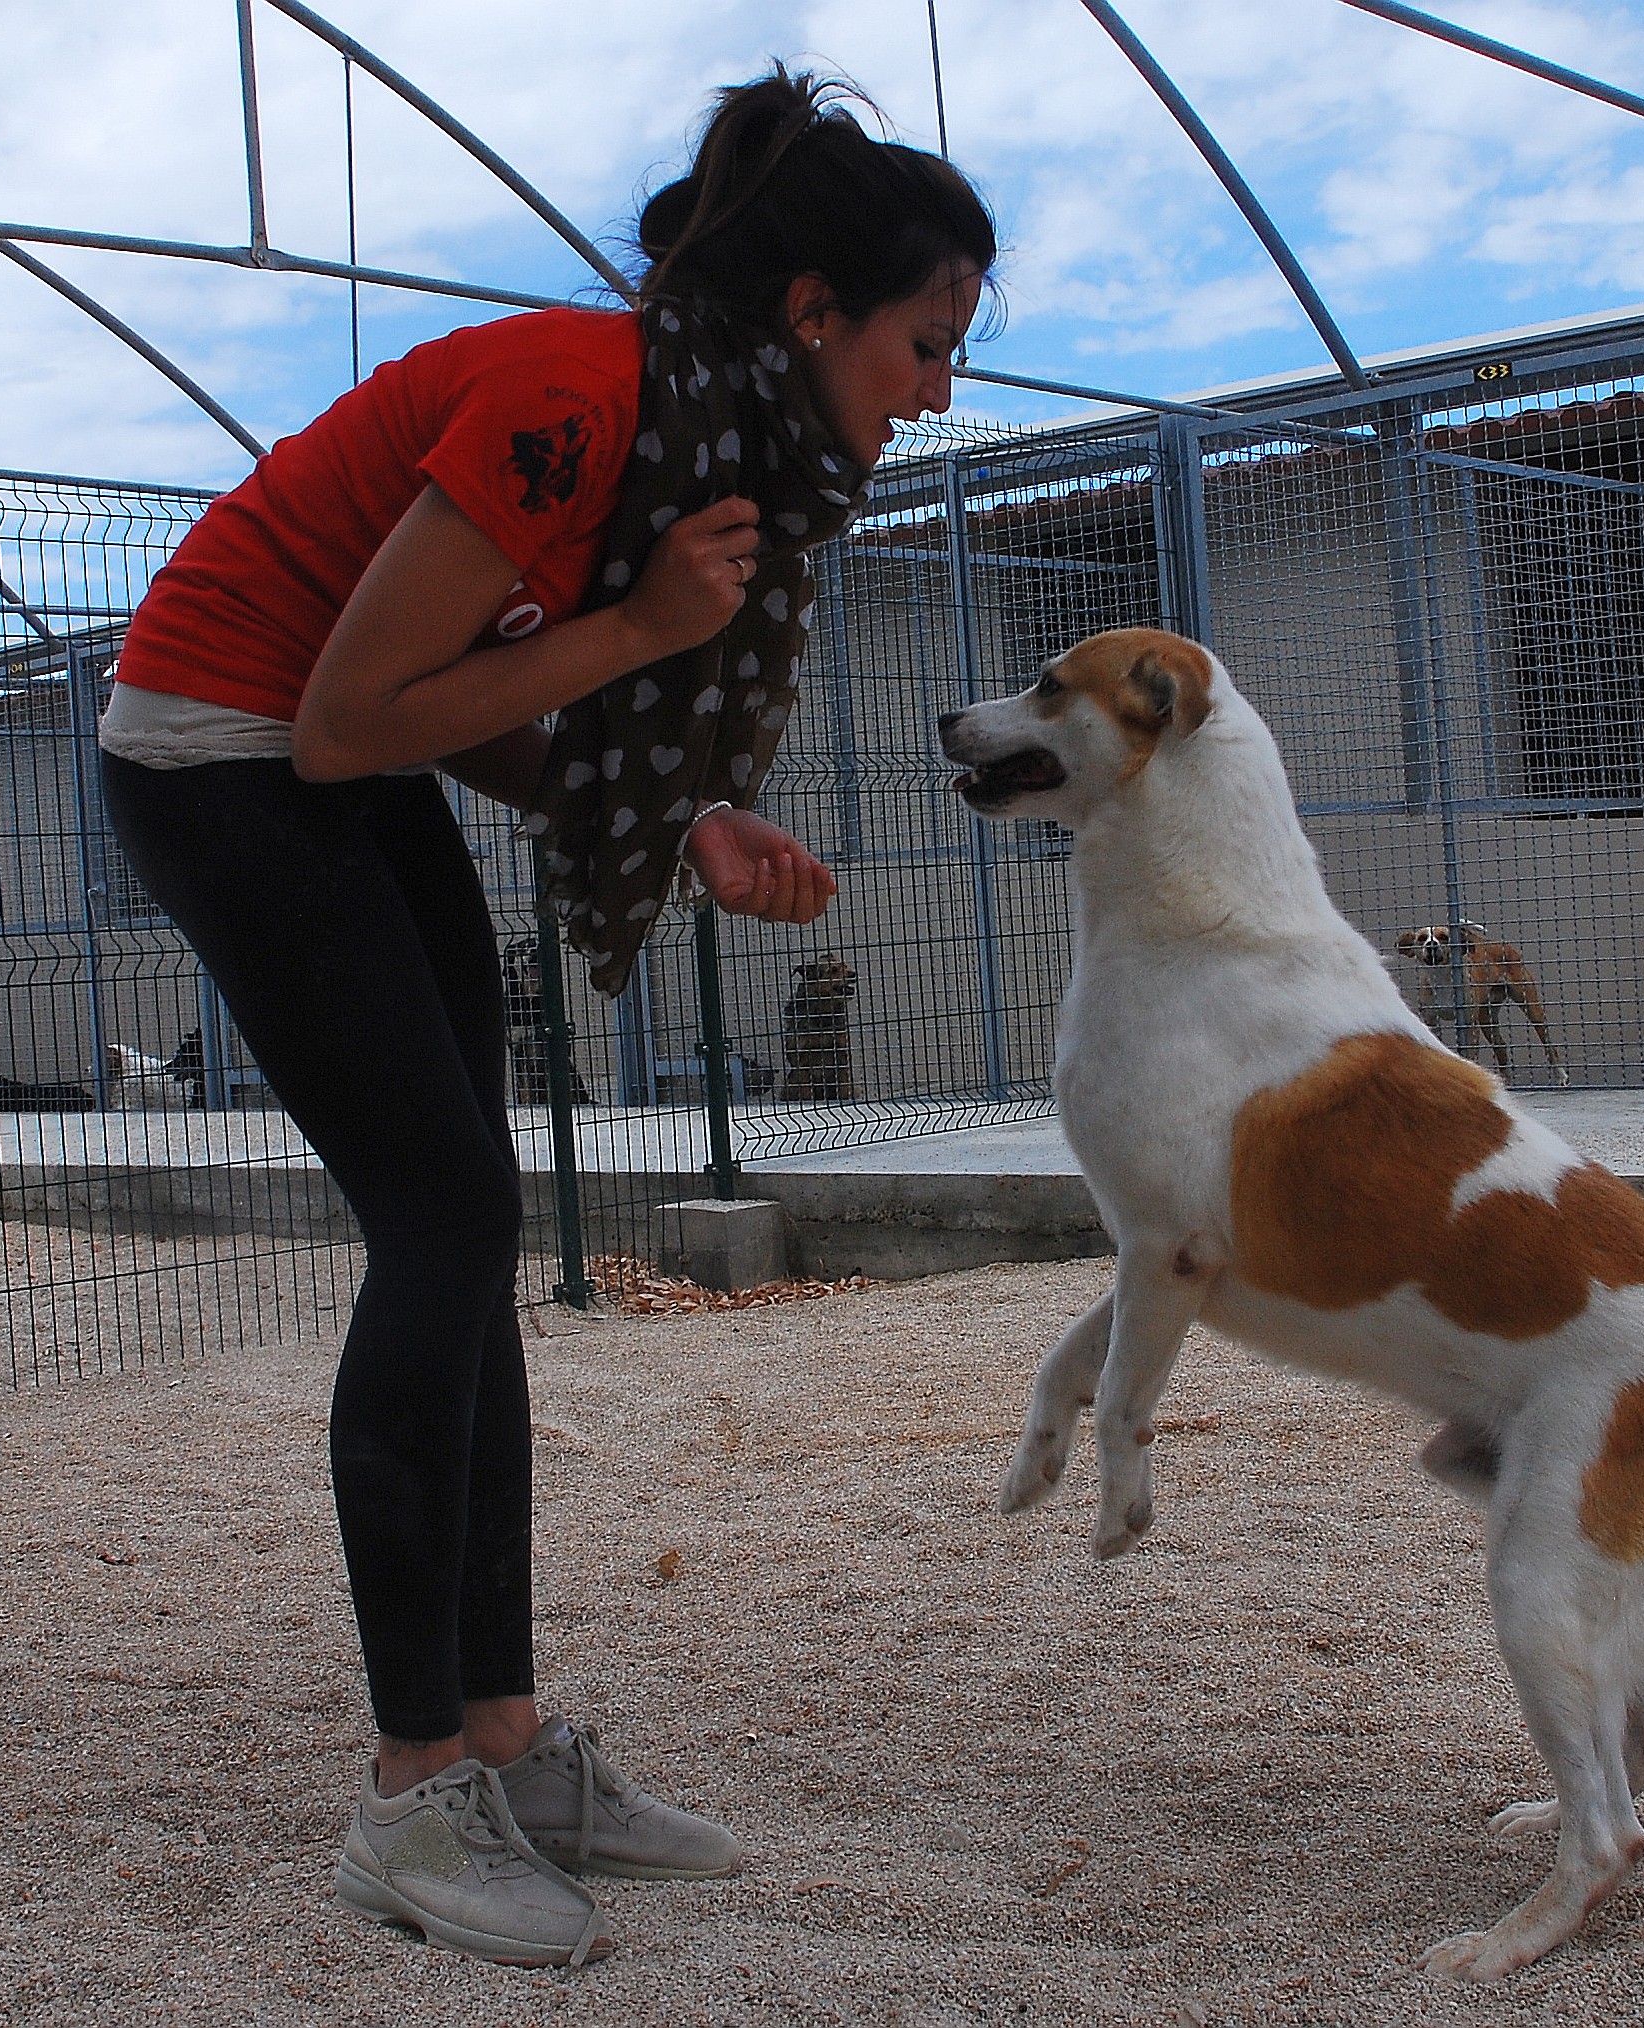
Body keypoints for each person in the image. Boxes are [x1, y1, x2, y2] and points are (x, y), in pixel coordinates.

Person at [99, 69, 994, 1968]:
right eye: (930, 342)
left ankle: (505, 1740)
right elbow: (345, 718)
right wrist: (650, 640)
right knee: (441, 1228)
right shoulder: (581, 396)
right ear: (813, 313)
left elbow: (445, 709)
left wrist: (683, 812)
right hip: (216, 752)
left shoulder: (694, 424)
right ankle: (413, 1793)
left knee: (471, 1222)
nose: (941, 389)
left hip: (320, 760)